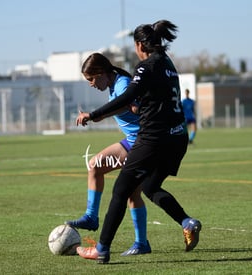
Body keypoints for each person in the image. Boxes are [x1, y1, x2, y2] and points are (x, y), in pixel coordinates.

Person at [75, 20, 202, 264]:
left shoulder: (147, 66)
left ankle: (101, 248)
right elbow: (146, 97)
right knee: (149, 188)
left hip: (153, 139)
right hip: (177, 138)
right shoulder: (167, 64)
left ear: (139, 45)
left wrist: (93, 114)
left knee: (121, 190)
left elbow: (129, 95)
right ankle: (187, 222)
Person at [65, 53, 151, 256]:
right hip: (131, 142)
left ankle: (142, 243)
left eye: (91, 79)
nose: (91, 84)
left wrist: (97, 115)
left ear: (102, 73)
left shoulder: (122, 83)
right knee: (95, 165)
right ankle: (91, 217)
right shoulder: (115, 83)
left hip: (143, 144)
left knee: (132, 193)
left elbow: (123, 103)